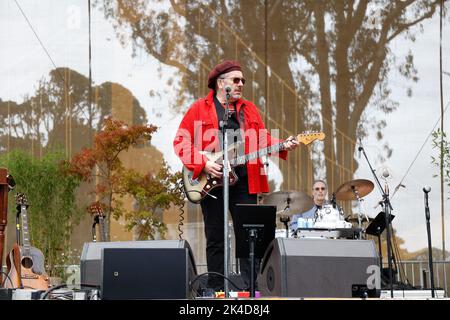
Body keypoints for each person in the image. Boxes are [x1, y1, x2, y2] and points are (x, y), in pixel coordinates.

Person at [173, 60, 299, 292]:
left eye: (243, 80)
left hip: (245, 180)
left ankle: (252, 289)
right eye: (236, 80)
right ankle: (217, 288)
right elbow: (180, 141)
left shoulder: (249, 109)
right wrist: (204, 163)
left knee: (250, 235)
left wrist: (283, 144)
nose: (241, 84)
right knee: (215, 236)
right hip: (212, 183)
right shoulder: (199, 108)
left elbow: (262, 139)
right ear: (221, 83)